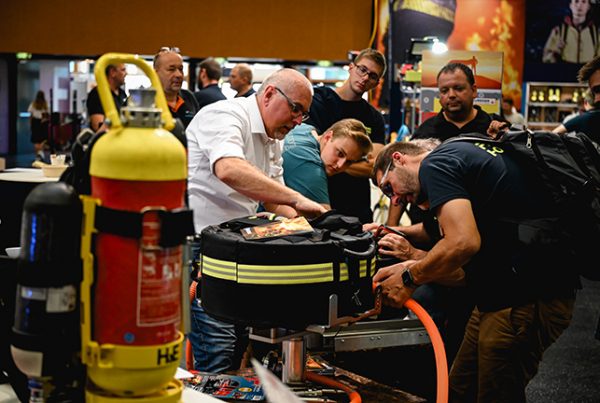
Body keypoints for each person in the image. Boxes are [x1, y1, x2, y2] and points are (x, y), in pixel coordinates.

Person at [372, 140, 578, 402]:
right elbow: (438, 230)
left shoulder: (434, 166)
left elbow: (462, 242)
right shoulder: (458, 150)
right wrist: (394, 232)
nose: (395, 199)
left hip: (526, 296)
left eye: (388, 188)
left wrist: (409, 278)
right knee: (461, 388)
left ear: (399, 159)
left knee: (496, 393)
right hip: (500, 291)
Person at [186, 68, 327, 373]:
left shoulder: (272, 137)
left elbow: (274, 199)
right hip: (202, 250)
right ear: (269, 95)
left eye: (303, 113)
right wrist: (296, 198)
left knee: (238, 345)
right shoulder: (225, 116)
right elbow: (229, 168)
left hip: (236, 249)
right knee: (219, 350)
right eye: (295, 108)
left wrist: (321, 226)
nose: (298, 120)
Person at [306, 48, 387, 224]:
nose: (365, 78)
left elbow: (374, 168)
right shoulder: (318, 101)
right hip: (316, 199)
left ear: (377, 83)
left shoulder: (374, 118)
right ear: (351, 67)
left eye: (372, 76)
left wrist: (331, 158)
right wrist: (357, 160)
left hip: (356, 207)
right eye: (362, 70)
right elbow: (309, 151)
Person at [282, 118, 373, 208]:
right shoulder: (313, 172)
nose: (340, 165)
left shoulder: (303, 128)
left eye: (349, 162)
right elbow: (325, 216)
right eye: (340, 153)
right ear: (328, 137)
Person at [153, 47, 199, 146]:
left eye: (181, 69)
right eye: (171, 69)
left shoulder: (189, 97)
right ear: (155, 74)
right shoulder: (141, 101)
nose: (179, 75)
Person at [552, 55, 600, 141]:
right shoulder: (586, 119)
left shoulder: (585, 119)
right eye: (594, 93)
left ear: (585, 103)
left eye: (599, 89)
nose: (596, 99)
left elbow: (551, 136)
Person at [543, 0, 600, 64]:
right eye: (576, 1)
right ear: (570, 5)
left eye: (583, 1)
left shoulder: (596, 33)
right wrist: (555, 53)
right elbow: (545, 59)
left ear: (588, 6)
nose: (579, 5)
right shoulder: (559, 31)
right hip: (565, 69)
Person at [85, 63, 127, 133]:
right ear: (113, 72)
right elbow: (97, 127)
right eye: (123, 70)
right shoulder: (97, 94)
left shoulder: (122, 93)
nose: (126, 73)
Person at [27, 90, 49, 156]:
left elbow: (31, 115)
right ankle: (40, 153)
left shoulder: (33, 104)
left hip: (35, 123)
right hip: (43, 122)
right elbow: (47, 115)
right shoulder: (45, 105)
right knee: (42, 139)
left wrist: (30, 124)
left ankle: (37, 154)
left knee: (36, 140)